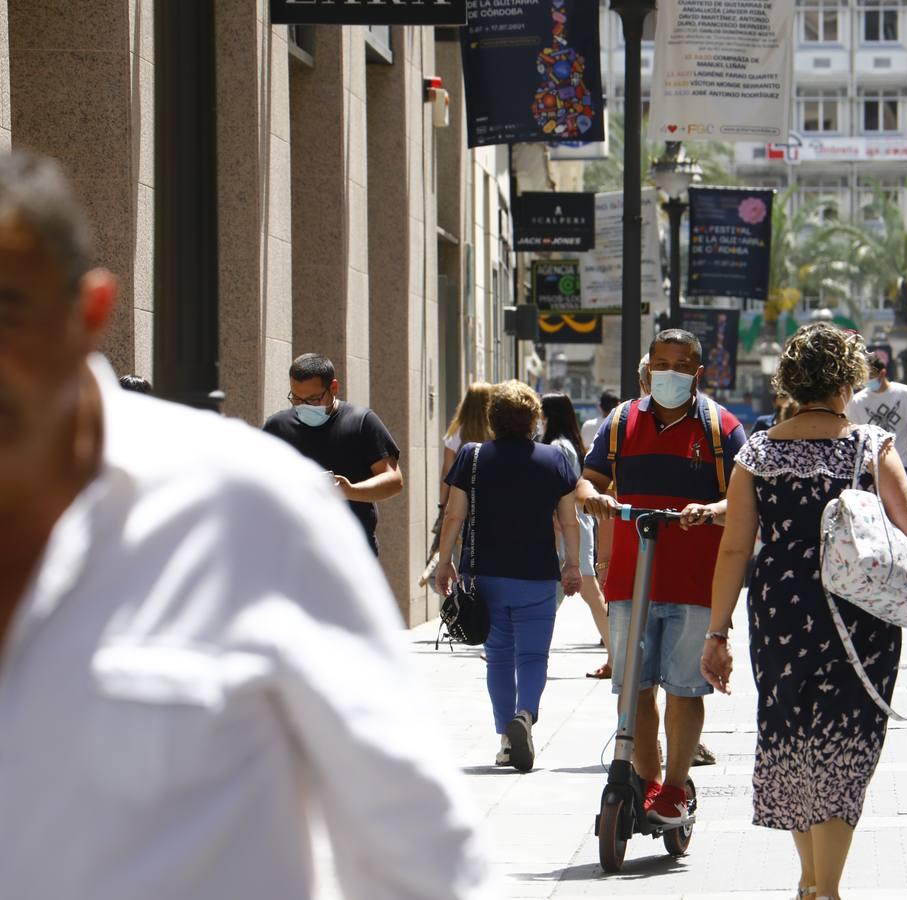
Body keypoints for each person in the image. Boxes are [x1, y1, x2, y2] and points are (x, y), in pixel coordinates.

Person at [0, 149, 489, 899]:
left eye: (7, 310)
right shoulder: (274, 432)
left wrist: (350, 492)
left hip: (348, 544)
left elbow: (417, 852)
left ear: (88, 314)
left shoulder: (247, 509)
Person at [700, 323, 907, 900]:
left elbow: (733, 548)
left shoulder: (758, 450)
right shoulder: (871, 444)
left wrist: (716, 632)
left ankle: (810, 879)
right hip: (859, 614)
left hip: (779, 610)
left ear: (790, 381)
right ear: (849, 380)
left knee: (793, 734)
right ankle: (827, 890)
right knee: (846, 741)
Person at [576, 329, 747, 827]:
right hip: (633, 581)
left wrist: (709, 510)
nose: (668, 373)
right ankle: (648, 782)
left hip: (695, 584)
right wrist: (592, 496)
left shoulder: (721, 427)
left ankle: (675, 788)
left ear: (698, 372)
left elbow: (742, 499)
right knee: (635, 688)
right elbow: (591, 479)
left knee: (685, 688)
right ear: (648, 367)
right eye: (660, 363)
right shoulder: (621, 421)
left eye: (681, 364)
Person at [435, 380, 582, 772]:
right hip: (537, 574)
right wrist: (572, 565)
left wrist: (443, 560)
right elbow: (570, 522)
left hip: (486, 575)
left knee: (498, 657)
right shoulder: (555, 460)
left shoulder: (474, 456)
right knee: (534, 654)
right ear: (534, 418)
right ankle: (526, 715)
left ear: (492, 418)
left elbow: (454, 514)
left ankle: (505, 739)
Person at [262, 354, 403, 556]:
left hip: (353, 553)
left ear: (333, 388)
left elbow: (394, 480)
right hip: (293, 554)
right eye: (296, 398)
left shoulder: (361, 422)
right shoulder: (277, 427)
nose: (304, 406)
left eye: (313, 399)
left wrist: (350, 491)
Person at [541, 391, 611, 678]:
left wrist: (557, 520)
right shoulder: (568, 444)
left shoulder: (560, 446)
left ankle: (620, 654)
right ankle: (618, 655)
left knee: (590, 593)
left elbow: (564, 491)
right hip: (571, 526)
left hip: (570, 528)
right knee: (556, 594)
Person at [845, 352, 907, 487]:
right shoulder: (857, 402)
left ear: (883, 373)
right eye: (865, 378)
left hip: (903, 465)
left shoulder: (905, 394)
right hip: (871, 469)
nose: (868, 381)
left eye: (871, 377)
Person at [439, 381, 493, 510]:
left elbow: (448, 471)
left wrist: (442, 502)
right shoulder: (497, 430)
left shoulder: (457, 431)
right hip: (491, 496)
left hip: (461, 498)